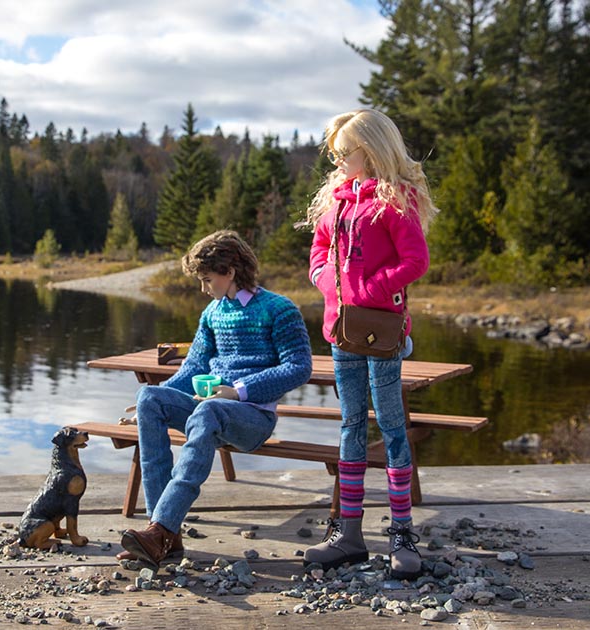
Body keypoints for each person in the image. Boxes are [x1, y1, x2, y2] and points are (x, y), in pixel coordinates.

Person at [118, 229, 312, 567]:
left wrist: (239, 391)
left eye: (207, 279)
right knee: (149, 397)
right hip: (208, 410)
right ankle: (161, 531)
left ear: (230, 272)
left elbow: (299, 367)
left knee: (207, 411)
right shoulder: (212, 313)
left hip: (253, 418)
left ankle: (162, 529)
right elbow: (193, 366)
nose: (203, 288)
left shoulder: (280, 310)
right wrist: (156, 401)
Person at [300, 109, 438, 579]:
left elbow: (414, 260)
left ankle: (402, 533)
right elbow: (319, 251)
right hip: (342, 332)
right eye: (335, 153)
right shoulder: (336, 202)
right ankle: (350, 533)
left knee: (393, 427)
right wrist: (324, 279)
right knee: (351, 425)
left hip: (381, 329)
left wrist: (372, 288)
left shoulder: (393, 200)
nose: (337, 160)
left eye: (345, 153)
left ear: (372, 151)